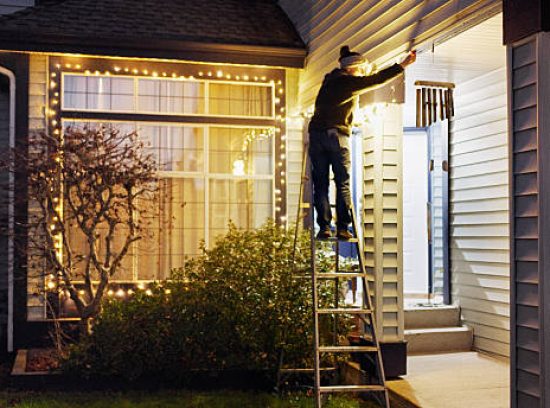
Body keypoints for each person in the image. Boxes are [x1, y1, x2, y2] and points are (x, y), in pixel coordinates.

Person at [308, 45, 416, 240]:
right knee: (342, 181)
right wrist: (402, 65)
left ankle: (324, 227)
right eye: (359, 71)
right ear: (352, 69)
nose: (360, 75)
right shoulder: (346, 83)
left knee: (321, 183)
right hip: (336, 135)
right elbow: (376, 81)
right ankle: (342, 227)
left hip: (316, 135)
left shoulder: (329, 81)